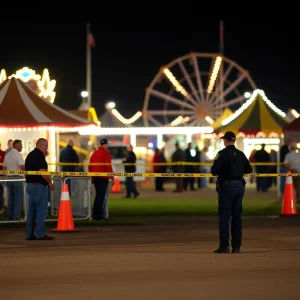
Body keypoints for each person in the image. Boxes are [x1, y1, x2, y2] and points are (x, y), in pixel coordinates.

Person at [211, 131, 252, 253]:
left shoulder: (222, 154)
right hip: (240, 186)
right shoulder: (240, 154)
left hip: (227, 186)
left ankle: (224, 246)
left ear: (225, 141)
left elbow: (214, 170)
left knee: (224, 217)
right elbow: (249, 169)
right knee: (237, 217)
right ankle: (236, 246)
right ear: (234, 141)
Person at [25, 138, 55, 240]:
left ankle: (29, 234)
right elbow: (43, 172)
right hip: (39, 186)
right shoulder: (39, 156)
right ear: (41, 145)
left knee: (31, 210)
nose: (47, 148)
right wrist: (50, 182)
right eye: (46, 146)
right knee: (41, 210)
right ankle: (40, 233)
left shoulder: (30, 155)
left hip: (30, 185)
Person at [89, 138, 115, 220]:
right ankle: (99, 216)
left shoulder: (94, 153)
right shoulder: (106, 154)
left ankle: (96, 215)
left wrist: (92, 178)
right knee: (101, 197)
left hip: (96, 177)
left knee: (98, 197)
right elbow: (108, 167)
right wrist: (112, 177)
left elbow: (90, 166)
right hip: (103, 178)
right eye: (107, 144)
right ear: (105, 144)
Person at [2, 139, 25, 220]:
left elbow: (4, 168)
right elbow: (22, 167)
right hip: (18, 178)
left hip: (9, 178)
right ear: (17, 146)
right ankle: (16, 217)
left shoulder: (7, 155)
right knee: (18, 198)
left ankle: (10, 216)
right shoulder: (18, 155)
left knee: (11, 198)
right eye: (21, 145)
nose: (22, 147)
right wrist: (26, 175)